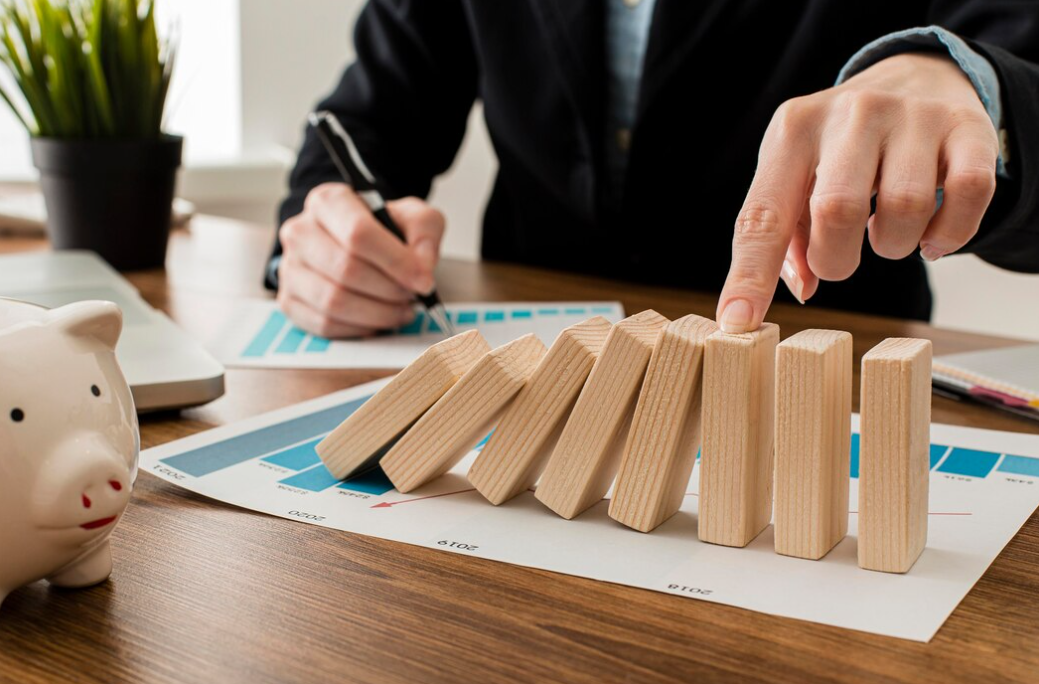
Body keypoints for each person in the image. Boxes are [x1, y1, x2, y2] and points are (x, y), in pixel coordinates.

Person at [266, 1, 1039, 338]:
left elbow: (1015, 66)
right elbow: (365, 119)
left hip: (832, 354)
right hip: (537, 370)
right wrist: (326, 226)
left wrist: (971, 85)